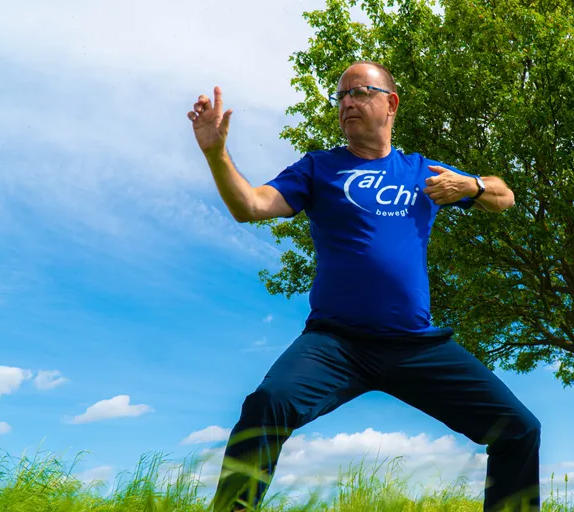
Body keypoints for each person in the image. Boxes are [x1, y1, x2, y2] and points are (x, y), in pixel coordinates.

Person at [186, 61, 541, 512]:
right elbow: (250, 205)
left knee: (519, 429)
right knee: (267, 404)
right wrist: (216, 154)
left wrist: (469, 185)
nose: (346, 103)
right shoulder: (319, 168)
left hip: (415, 346)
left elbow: (504, 196)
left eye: (358, 92)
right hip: (336, 343)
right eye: (340, 97)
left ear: (390, 103)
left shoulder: (421, 170)